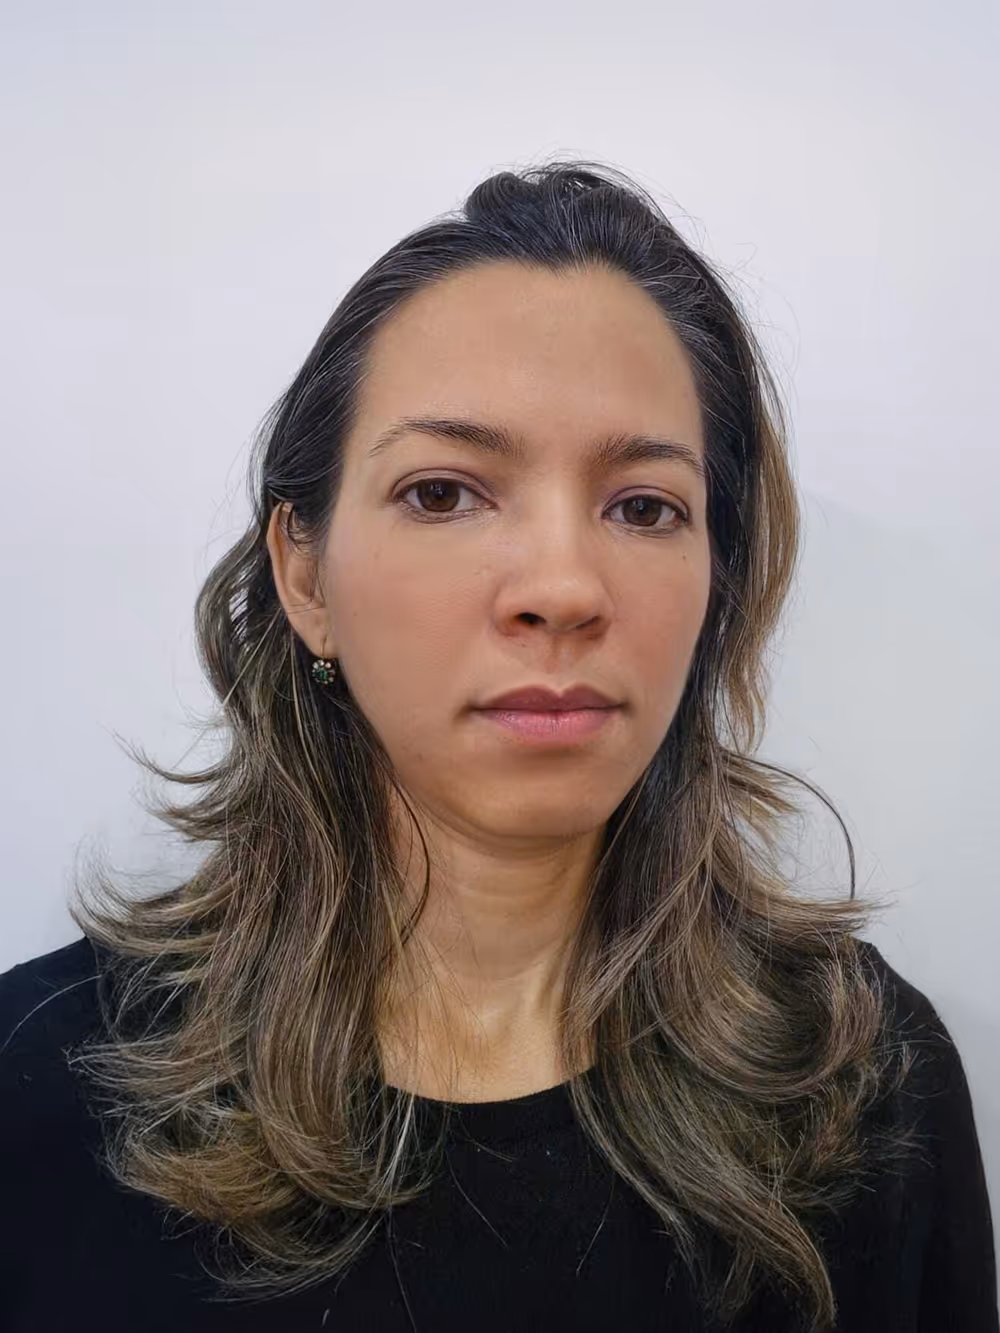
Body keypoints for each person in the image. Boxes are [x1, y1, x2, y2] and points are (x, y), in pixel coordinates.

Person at [1, 159, 996, 1333]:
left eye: (643, 506)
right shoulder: (40, 1095)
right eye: (442, 493)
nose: (564, 587)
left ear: (716, 582)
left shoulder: (869, 1085)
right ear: (304, 572)